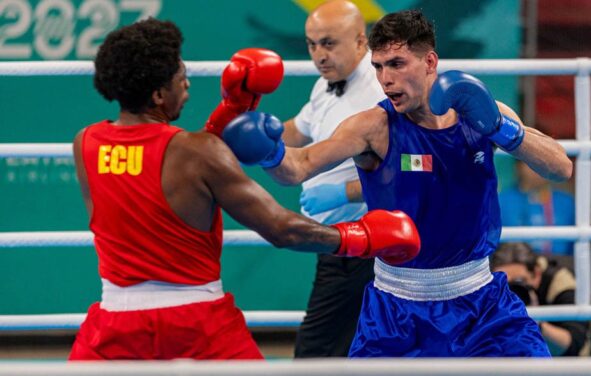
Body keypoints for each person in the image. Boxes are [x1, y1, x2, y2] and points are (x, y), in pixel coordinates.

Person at [223, 9, 573, 357]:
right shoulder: (373, 126)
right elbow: (298, 167)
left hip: (481, 302)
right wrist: (268, 151)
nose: (385, 78)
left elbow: (560, 167)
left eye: (397, 64)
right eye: (378, 66)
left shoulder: (481, 113)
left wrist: (500, 128)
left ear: (430, 61)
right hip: (397, 311)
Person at [68, 18, 420, 360]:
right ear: (159, 94)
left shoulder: (85, 144)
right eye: (182, 78)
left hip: (114, 324)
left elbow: (156, 162)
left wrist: (233, 112)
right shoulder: (197, 153)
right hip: (197, 322)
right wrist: (360, 237)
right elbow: (282, 229)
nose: (188, 86)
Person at [283, 0, 385, 358]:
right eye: (312, 45)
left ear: (360, 42)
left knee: (316, 352)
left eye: (329, 43)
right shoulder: (325, 85)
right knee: (352, 350)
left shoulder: (380, 92)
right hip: (338, 244)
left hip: (367, 244)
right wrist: (243, 134)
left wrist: (344, 192)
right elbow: (296, 131)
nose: (319, 55)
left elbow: (405, 173)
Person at [491, 242, 591, 356]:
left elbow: (573, 346)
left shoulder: (561, 283)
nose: (512, 291)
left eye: (519, 282)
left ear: (537, 273)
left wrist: (534, 322)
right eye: (504, 283)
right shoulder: (490, 287)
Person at [500, 160, 575, 256]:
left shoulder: (566, 202)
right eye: (531, 161)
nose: (538, 168)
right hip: (514, 266)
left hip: (559, 265)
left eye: (543, 162)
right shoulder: (501, 201)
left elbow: (574, 249)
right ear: (518, 167)